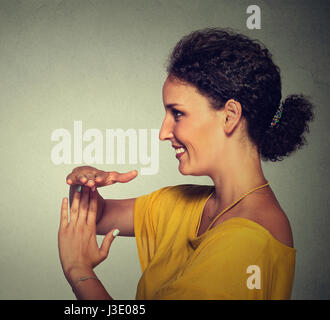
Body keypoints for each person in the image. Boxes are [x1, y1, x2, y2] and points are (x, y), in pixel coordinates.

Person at [57, 27, 314, 300]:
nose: (163, 132)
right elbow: (98, 217)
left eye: (177, 114)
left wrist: (79, 272)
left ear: (229, 116)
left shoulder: (248, 242)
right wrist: (85, 184)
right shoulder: (187, 203)